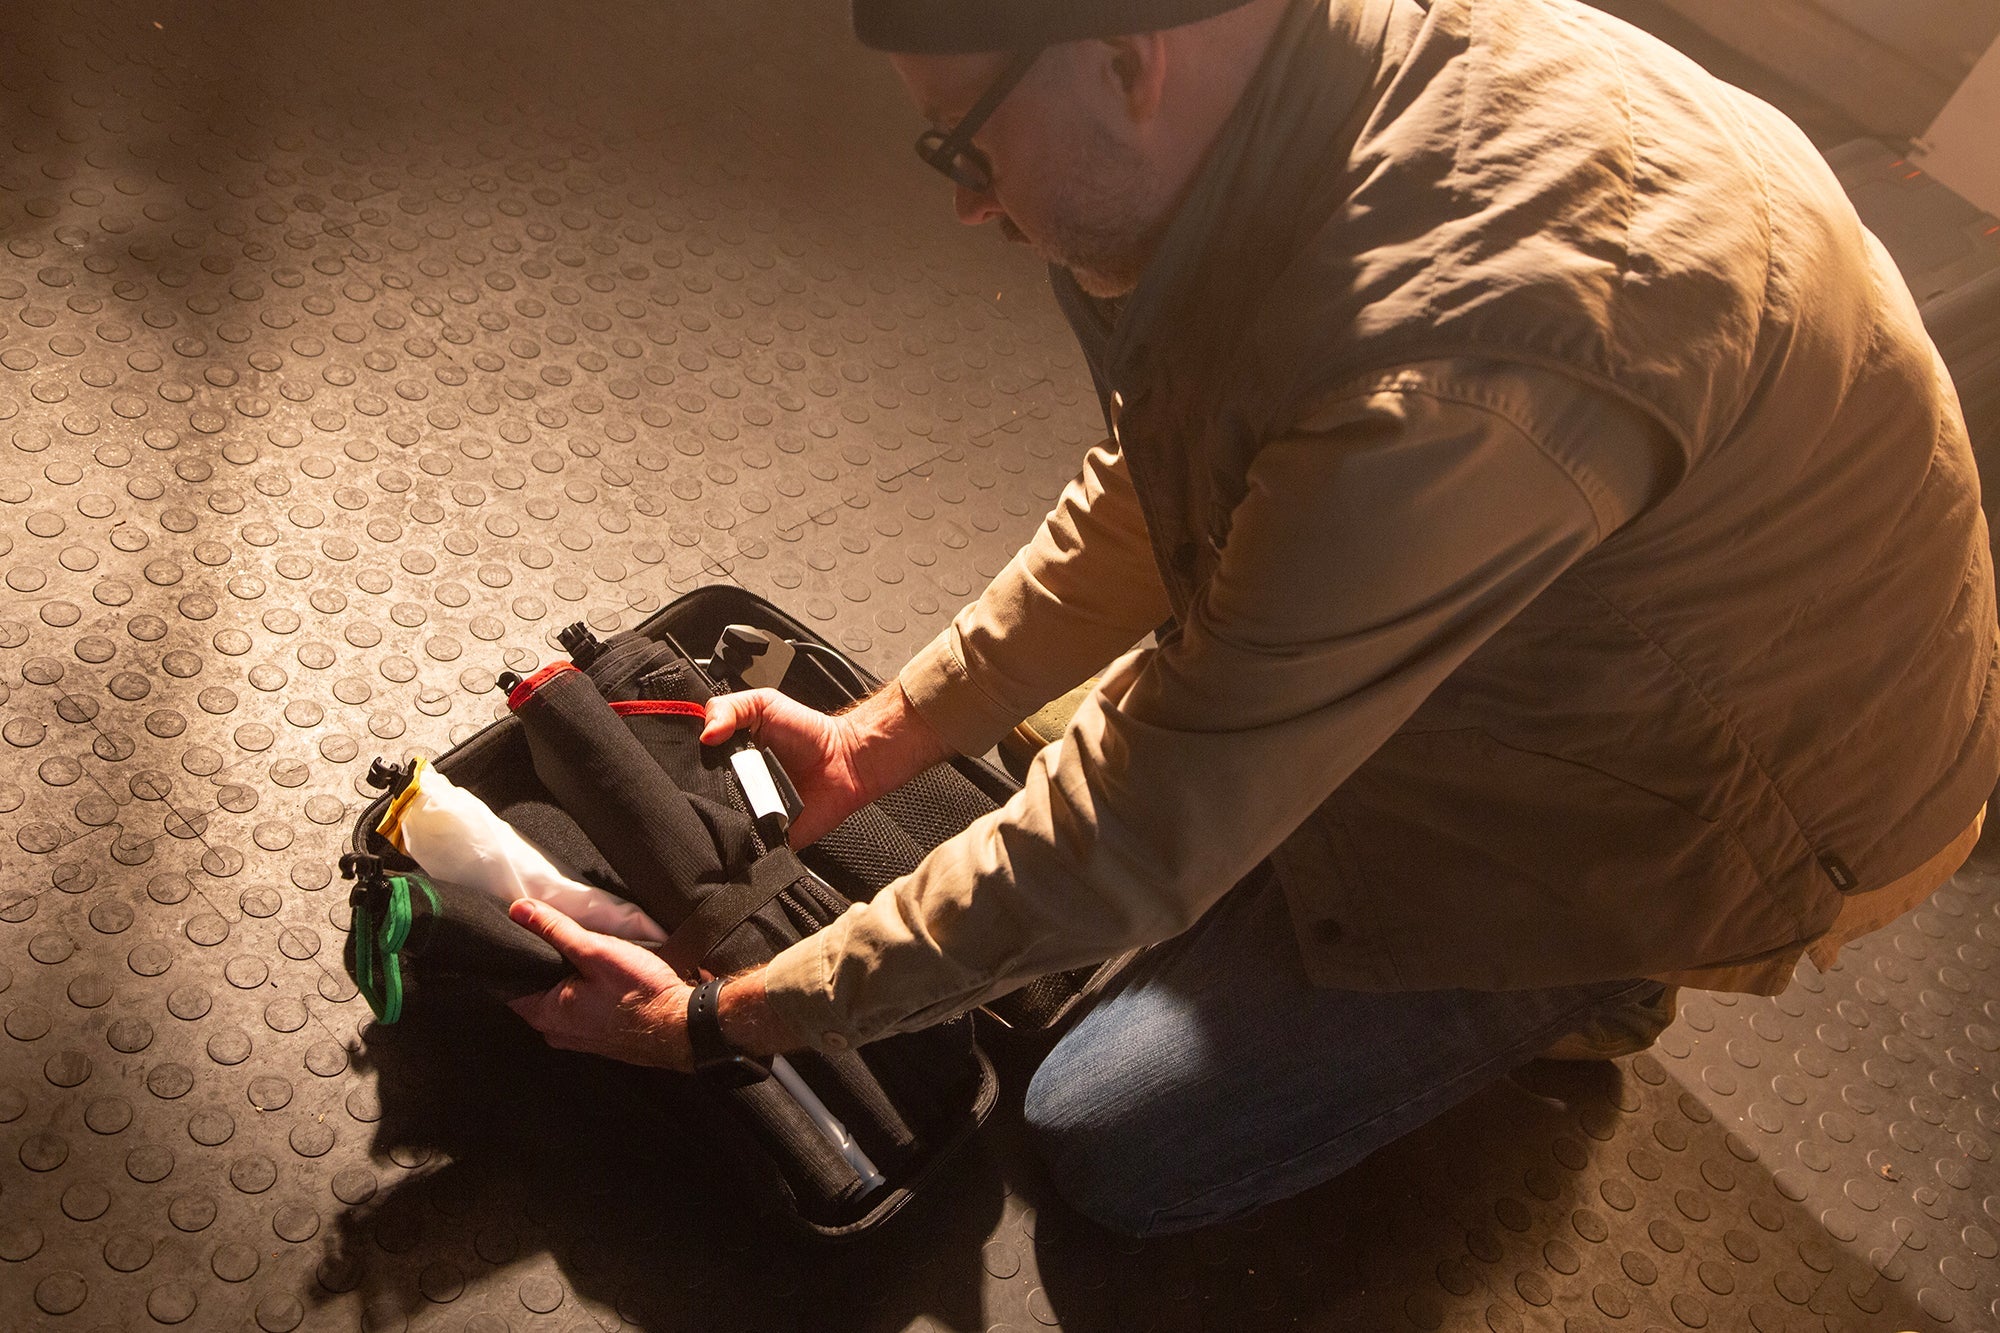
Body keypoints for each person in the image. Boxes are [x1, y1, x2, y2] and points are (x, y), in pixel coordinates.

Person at [505, 0, 1999, 1236]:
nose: (965, 198)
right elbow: (1163, 482)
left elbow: (1135, 836)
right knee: (1064, 753)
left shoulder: (1449, 361)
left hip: (1754, 790)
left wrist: (728, 1018)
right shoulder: (1297, 84)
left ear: (1127, 62)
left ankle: (1599, 972)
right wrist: (875, 744)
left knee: (1108, 1131)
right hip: (1570, 599)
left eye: (966, 142)